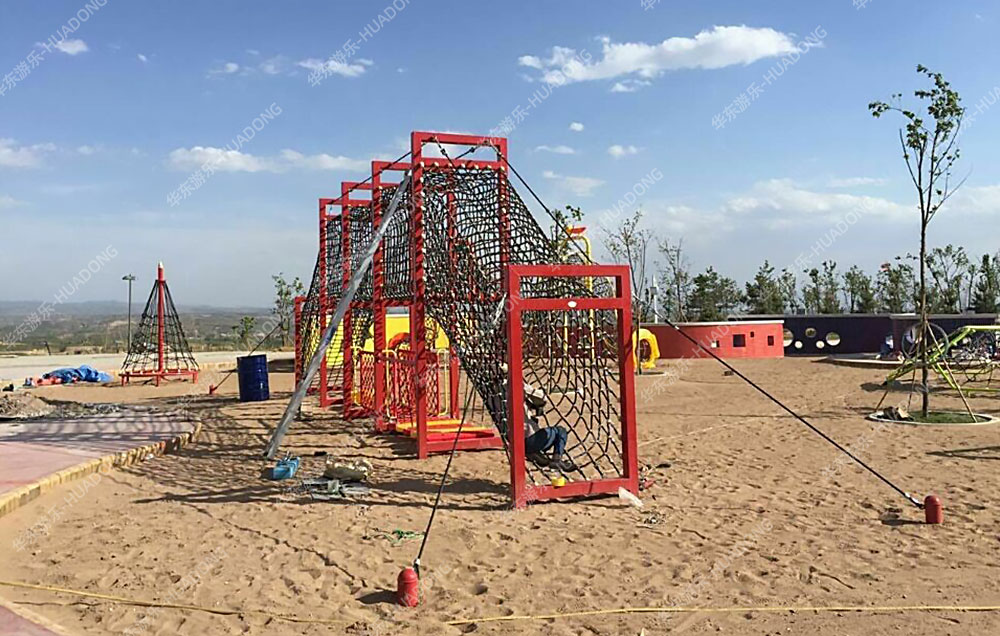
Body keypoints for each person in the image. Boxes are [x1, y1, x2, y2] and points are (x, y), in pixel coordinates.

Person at [522, 382, 576, 473]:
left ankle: (533, 453)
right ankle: (556, 460)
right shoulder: (516, 385)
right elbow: (542, 398)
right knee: (560, 431)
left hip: (511, 441)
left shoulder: (497, 392)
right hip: (529, 440)